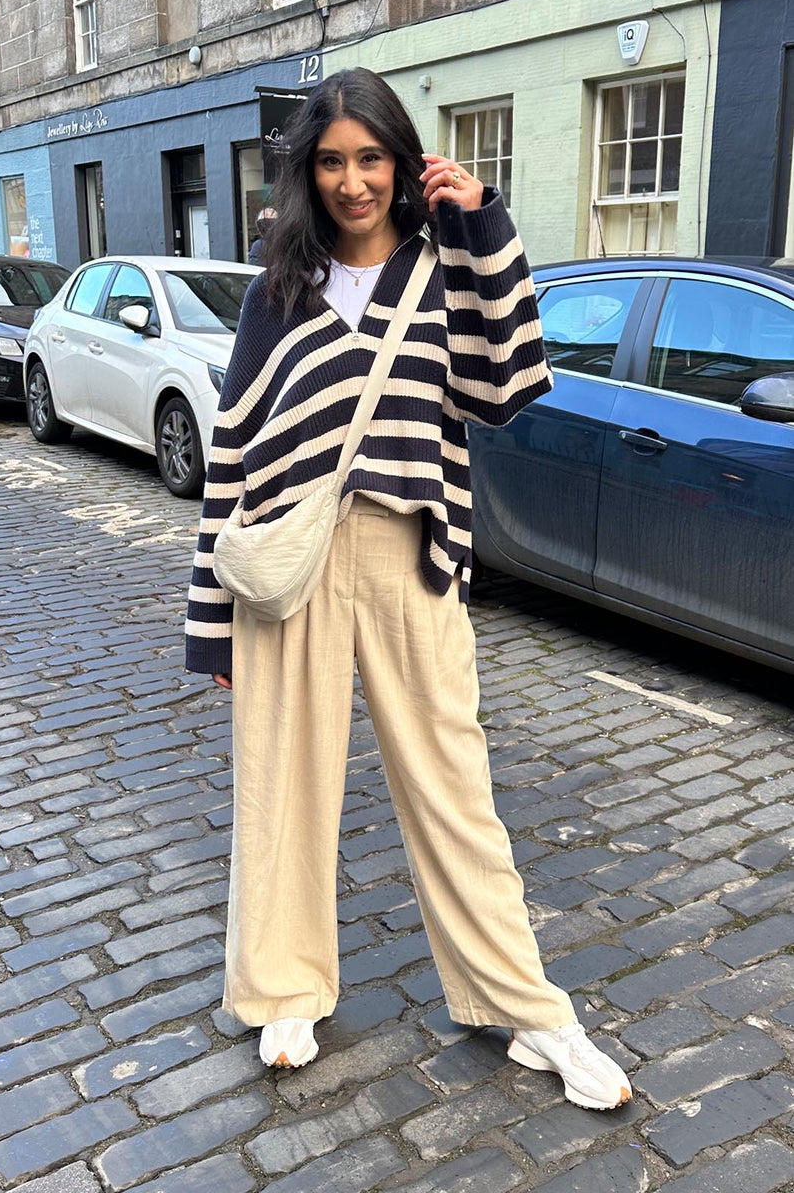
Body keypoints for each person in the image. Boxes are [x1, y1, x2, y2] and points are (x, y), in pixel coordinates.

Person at [185, 67, 632, 1113]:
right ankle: (286, 987)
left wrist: (484, 223)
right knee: (281, 786)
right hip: (289, 569)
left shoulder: (443, 273)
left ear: (400, 161)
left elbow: (509, 385)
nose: (352, 182)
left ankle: (526, 1008)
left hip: (411, 556)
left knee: (456, 794)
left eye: (370, 158)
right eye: (333, 161)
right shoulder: (277, 290)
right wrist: (212, 626)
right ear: (310, 170)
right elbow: (235, 455)